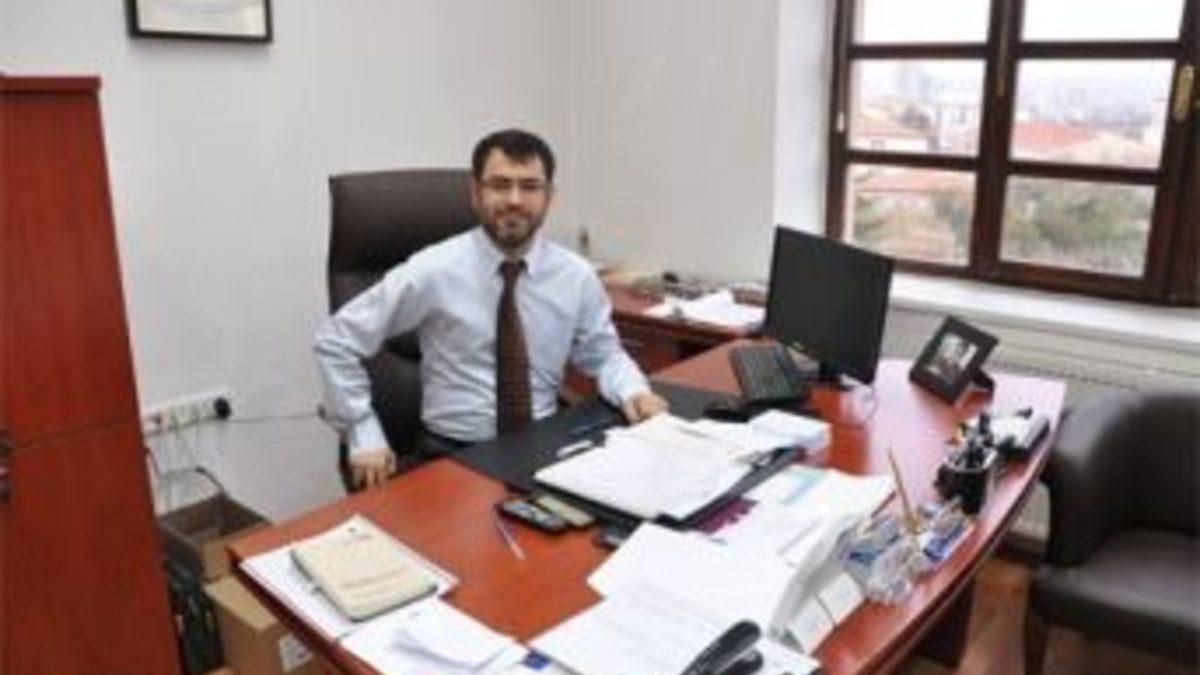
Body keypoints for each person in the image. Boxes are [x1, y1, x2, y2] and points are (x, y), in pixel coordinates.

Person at [315, 128, 668, 490]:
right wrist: (362, 431)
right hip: (452, 454)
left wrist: (635, 392)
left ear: (549, 197)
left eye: (530, 186)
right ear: (475, 194)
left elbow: (603, 355)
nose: (514, 200)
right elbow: (336, 341)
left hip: (544, 447)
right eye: (500, 185)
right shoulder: (433, 270)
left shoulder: (575, 277)